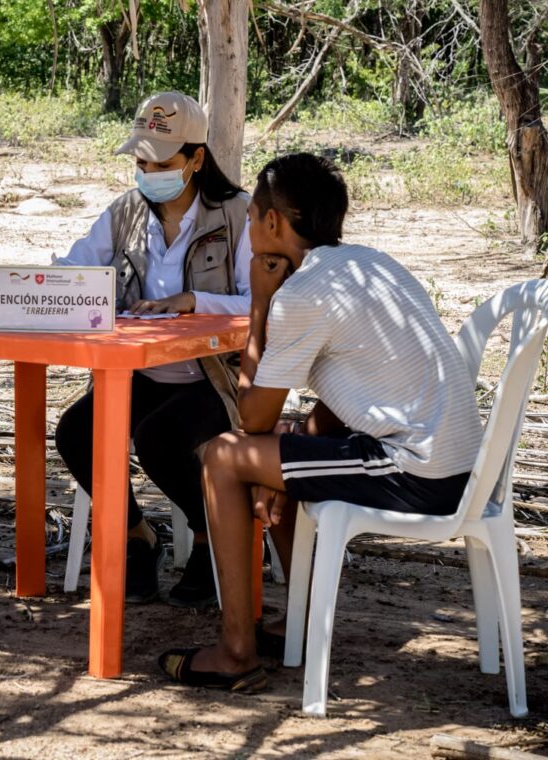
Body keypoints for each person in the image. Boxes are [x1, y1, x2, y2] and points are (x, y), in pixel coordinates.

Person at [159, 152, 483, 690]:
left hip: (418, 474)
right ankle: (301, 623)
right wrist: (289, 454)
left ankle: (236, 651)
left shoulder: (301, 293)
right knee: (281, 449)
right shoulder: (372, 264)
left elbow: (253, 416)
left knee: (222, 457)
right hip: (458, 465)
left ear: (270, 223)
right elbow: (356, 391)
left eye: (252, 220)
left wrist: (260, 303)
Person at [54, 91, 252, 607]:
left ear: (196, 159)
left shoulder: (237, 216)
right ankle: (139, 537)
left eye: (162, 162)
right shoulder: (124, 214)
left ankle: (213, 538)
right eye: (141, 161)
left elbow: (261, 304)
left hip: (214, 379)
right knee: (77, 432)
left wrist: (195, 301)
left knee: (158, 437)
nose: (148, 172)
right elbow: (75, 269)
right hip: (141, 375)